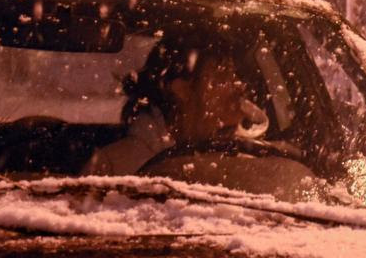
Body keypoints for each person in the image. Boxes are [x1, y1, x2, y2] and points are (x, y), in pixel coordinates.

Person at [84, 33, 269, 176]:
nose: (239, 85)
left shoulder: (255, 164)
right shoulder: (115, 166)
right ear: (181, 88)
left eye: (235, 75)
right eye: (221, 76)